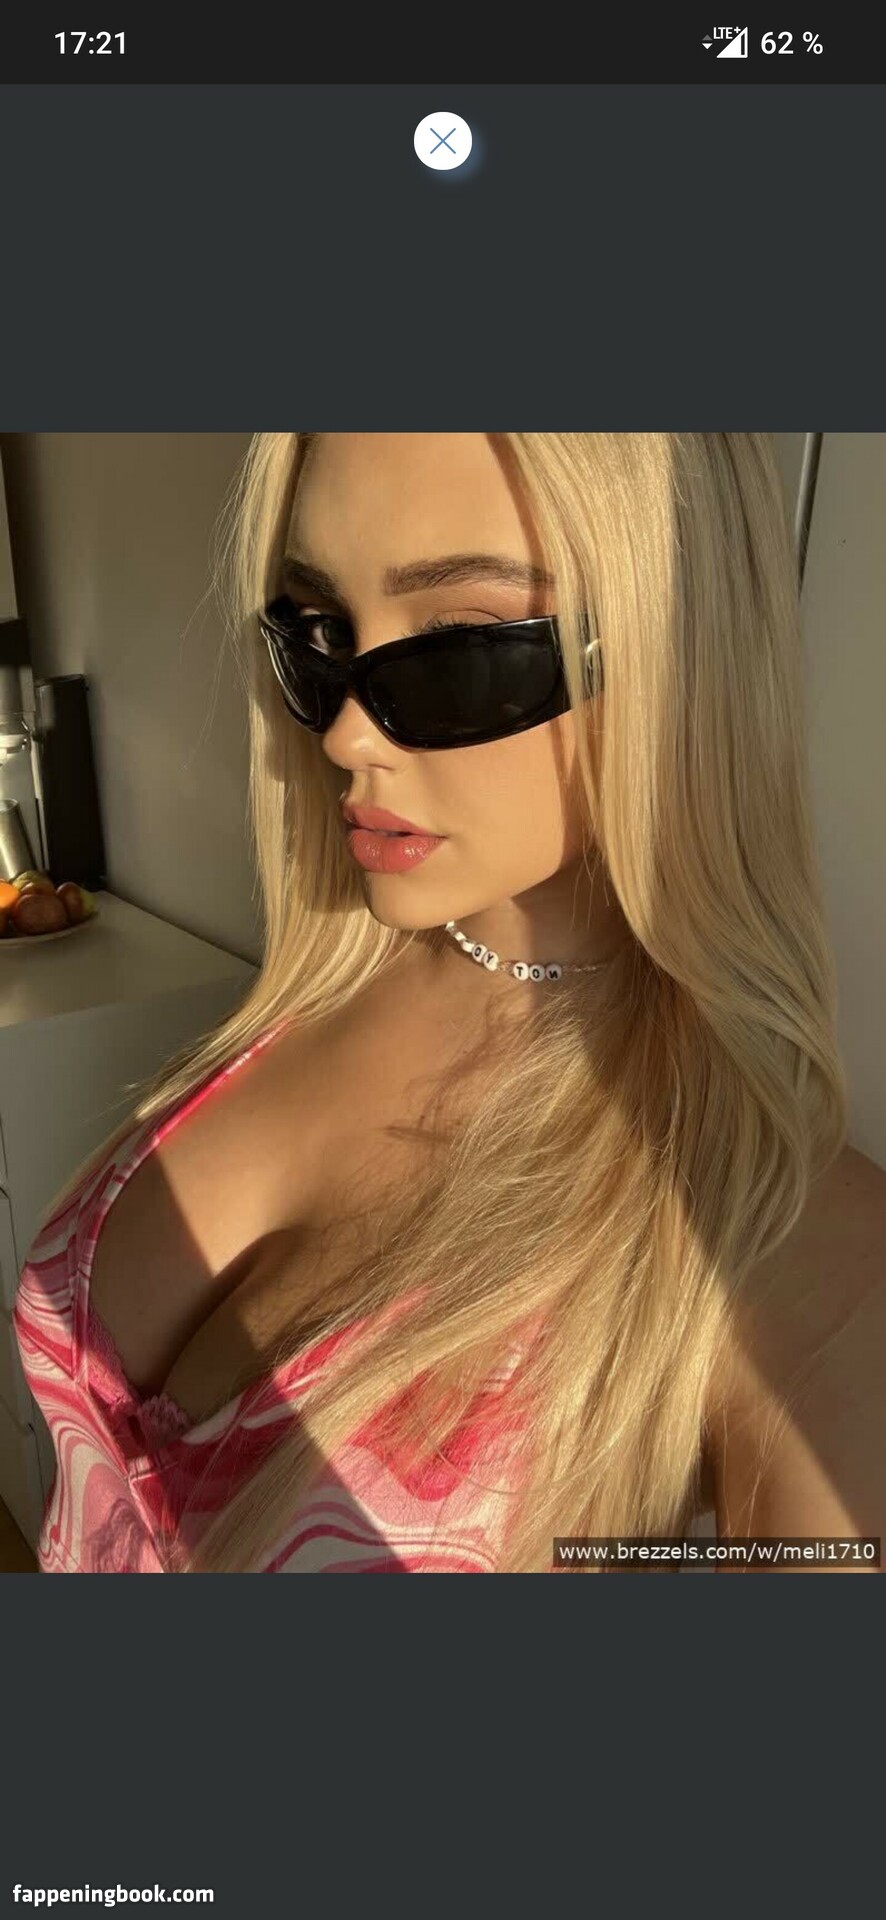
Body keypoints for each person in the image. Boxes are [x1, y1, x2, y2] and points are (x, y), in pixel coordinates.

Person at [14, 432, 886, 1574]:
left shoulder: (791, 1254)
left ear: (687, 656)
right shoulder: (329, 982)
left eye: (463, 649)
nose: (343, 731)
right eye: (319, 630)